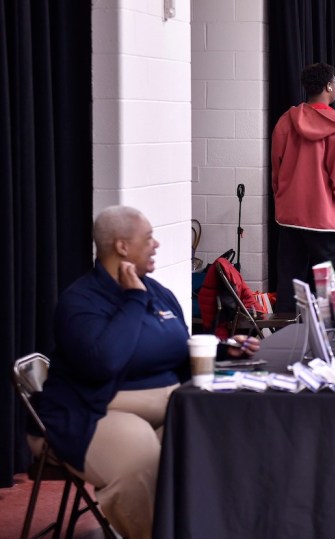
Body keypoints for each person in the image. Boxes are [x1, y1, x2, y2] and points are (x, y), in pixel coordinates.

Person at [29, 206, 259, 539]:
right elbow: (104, 362)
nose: (156, 245)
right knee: (140, 454)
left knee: (215, 429)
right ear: (122, 246)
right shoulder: (81, 301)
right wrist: (134, 299)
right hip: (90, 408)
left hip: (161, 400)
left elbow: (178, 347)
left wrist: (224, 350)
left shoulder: (158, 292)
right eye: (148, 237)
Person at [271, 63, 335, 313]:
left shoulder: (286, 121)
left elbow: (276, 173)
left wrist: (283, 203)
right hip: (325, 222)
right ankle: (334, 343)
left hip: (289, 218)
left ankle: (286, 344)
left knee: (289, 286)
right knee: (332, 290)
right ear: (329, 86)